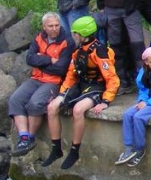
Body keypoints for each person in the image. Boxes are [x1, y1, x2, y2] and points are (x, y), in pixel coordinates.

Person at [42, 15, 119, 170]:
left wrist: (106, 101)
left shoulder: (100, 51)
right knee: (52, 107)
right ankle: (56, 148)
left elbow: (112, 79)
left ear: (83, 34)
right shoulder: (77, 52)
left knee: (78, 110)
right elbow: (71, 75)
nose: (73, 36)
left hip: (97, 87)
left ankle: (74, 150)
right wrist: (62, 94)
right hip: (81, 84)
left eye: (75, 33)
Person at [8, 13, 75, 156]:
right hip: (36, 78)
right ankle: (24, 137)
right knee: (15, 99)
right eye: (51, 26)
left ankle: (30, 138)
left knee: (36, 103)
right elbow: (29, 58)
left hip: (54, 82)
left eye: (57, 25)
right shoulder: (39, 37)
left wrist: (40, 61)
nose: (54, 29)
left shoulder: (67, 42)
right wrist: (50, 60)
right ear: (44, 27)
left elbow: (61, 69)